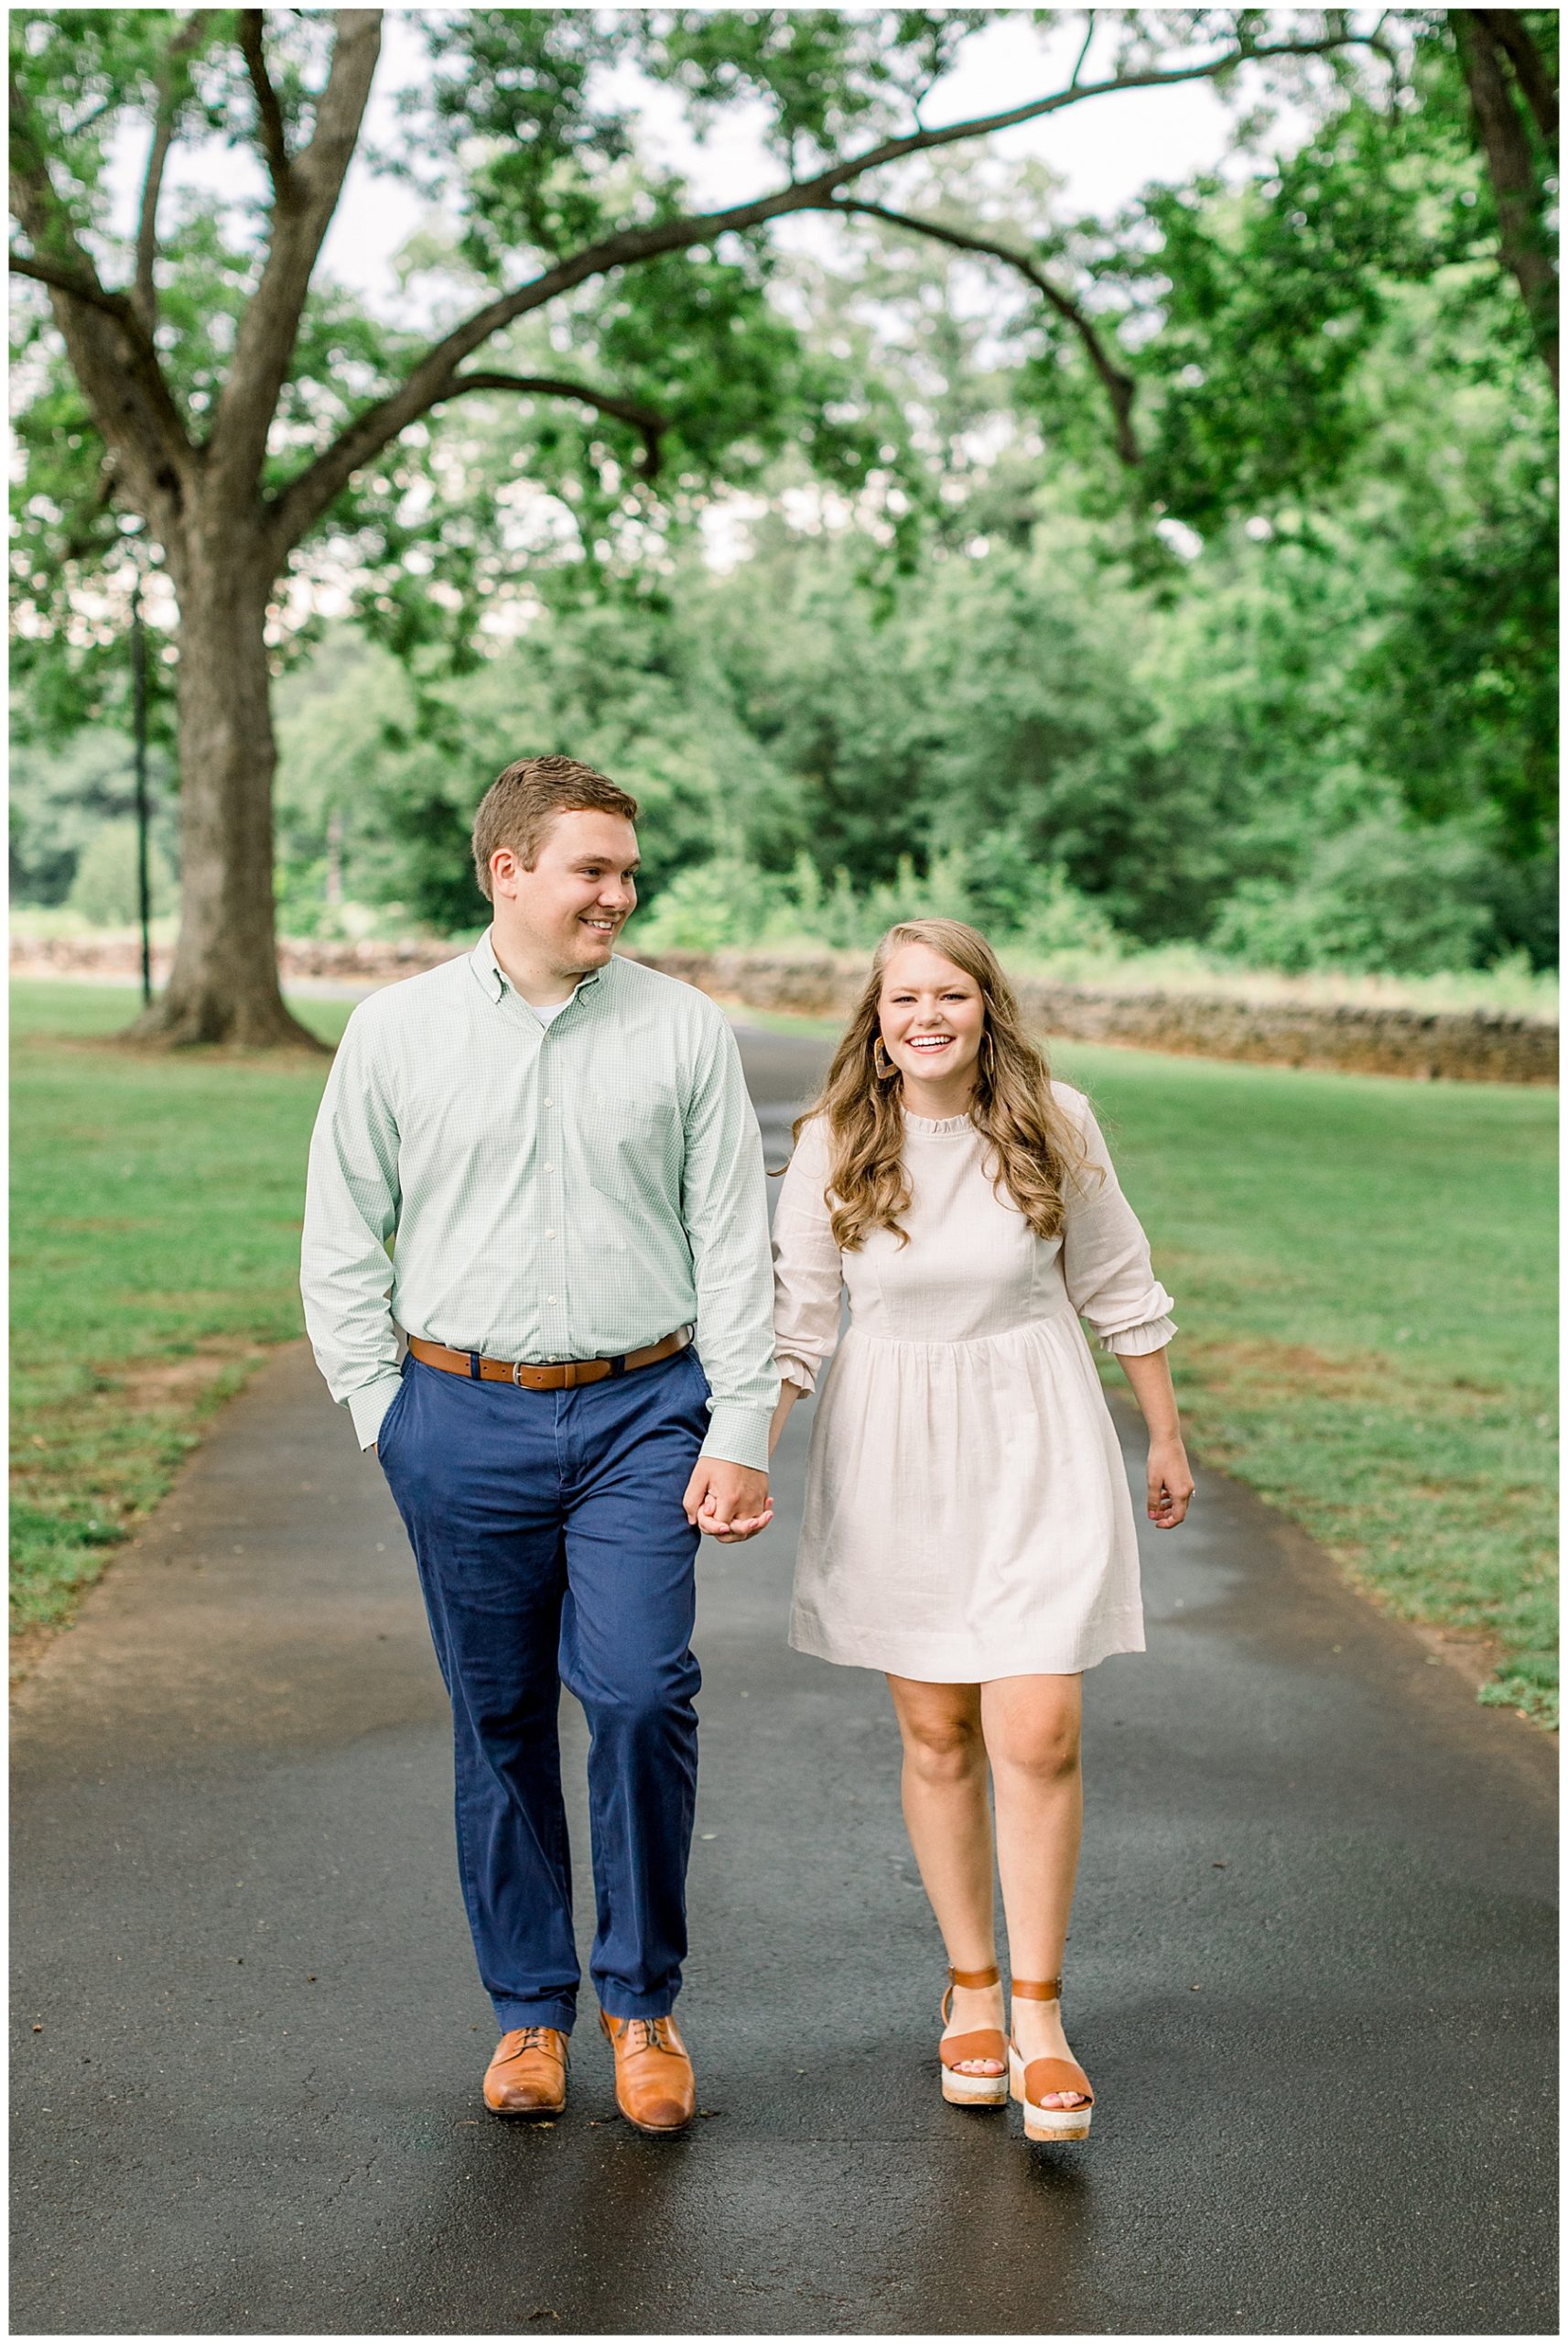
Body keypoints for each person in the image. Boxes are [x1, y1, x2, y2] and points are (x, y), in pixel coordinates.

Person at [300, 754, 776, 2136]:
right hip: (458, 1417)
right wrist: (382, 1415)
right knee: (498, 1716)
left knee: (636, 1694)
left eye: (628, 872)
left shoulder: (683, 1030)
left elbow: (731, 1242)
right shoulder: (393, 1033)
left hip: (642, 1410)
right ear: (507, 872)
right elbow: (342, 1239)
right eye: (592, 870)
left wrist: (737, 1422)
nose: (619, 895)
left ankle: (641, 2007)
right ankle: (527, 2014)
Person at [768, 917, 1193, 2144]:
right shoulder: (833, 1140)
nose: (925, 1014)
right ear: (877, 1018)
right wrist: (746, 1452)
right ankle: (968, 1988)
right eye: (903, 997)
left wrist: (1161, 1434)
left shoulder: (1054, 1118)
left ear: (983, 1006)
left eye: (948, 993)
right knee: (935, 1725)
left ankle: (1042, 2015)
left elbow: (1117, 1279)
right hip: (897, 1450)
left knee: (1039, 1723)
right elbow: (796, 1319)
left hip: (1035, 1438)